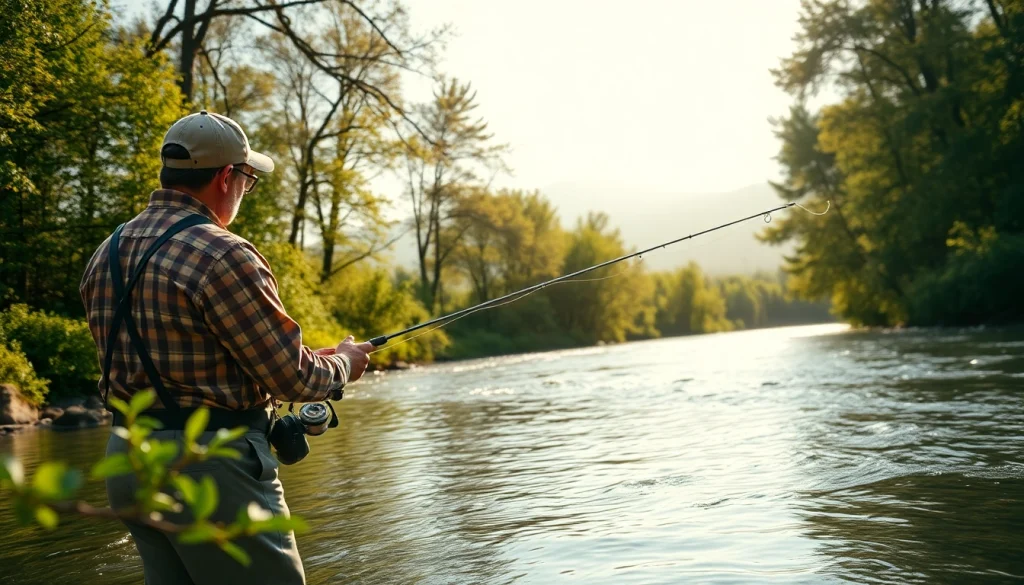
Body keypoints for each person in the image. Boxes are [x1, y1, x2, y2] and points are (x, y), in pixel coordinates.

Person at [79, 110, 373, 584]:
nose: (244, 190)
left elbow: (187, 356)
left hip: (128, 461)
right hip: (210, 470)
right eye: (247, 180)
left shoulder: (107, 251)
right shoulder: (223, 252)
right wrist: (343, 364)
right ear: (225, 177)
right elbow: (294, 379)